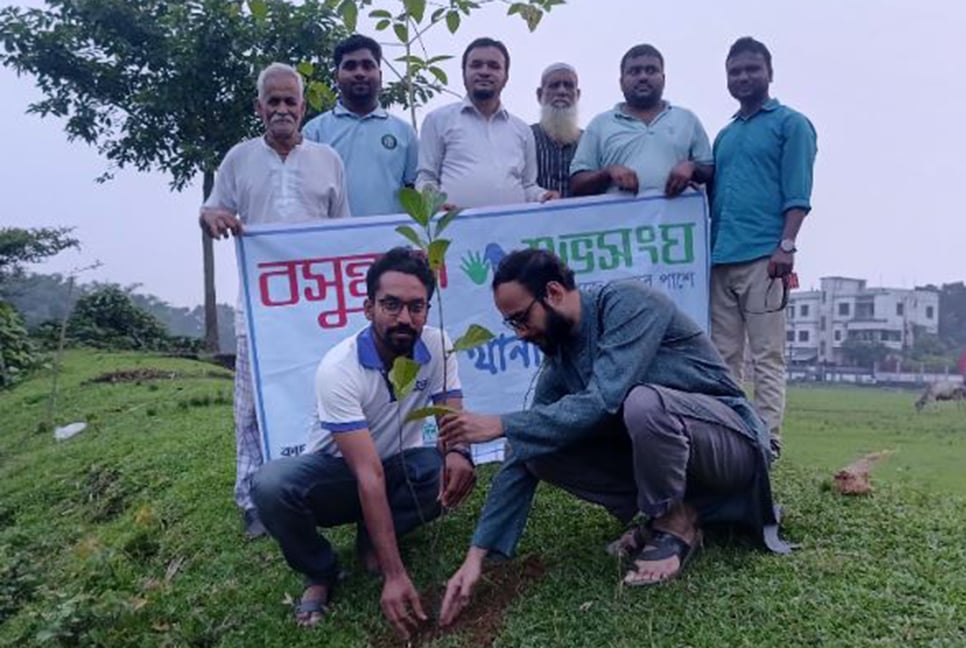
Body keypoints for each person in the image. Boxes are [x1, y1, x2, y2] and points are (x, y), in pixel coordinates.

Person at [435, 249, 789, 626]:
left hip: (732, 446)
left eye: (522, 318)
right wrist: (475, 556)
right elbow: (524, 450)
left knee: (643, 404)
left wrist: (502, 422)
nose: (521, 334)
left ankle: (676, 523)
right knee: (538, 448)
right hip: (679, 455)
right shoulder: (561, 358)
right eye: (512, 325)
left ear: (553, 293)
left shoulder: (627, 303)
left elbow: (604, 399)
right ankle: (673, 511)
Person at [251, 247, 476, 637]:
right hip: (335, 478)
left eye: (416, 306)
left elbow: (450, 418)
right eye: (391, 305)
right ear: (368, 307)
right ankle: (320, 571)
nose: (404, 318)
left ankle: (371, 539)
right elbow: (366, 474)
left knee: (442, 471)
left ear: (427, 310)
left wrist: (459, 452)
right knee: (271, 485)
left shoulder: (438, 347)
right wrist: (395, 575)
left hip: (394, 468)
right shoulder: (340, 368)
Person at [199, 62, 351, 539]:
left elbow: (344, 230)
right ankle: (252, 500)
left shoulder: (329, 160)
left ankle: (317, 480)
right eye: (274, 101)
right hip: (261, 310)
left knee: (322, 389)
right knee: (250, 405)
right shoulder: (238, 159)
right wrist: (215, 216)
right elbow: (209, 211)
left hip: (318, 307)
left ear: (304, 108)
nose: (282, 109)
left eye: (291, 101)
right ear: (259, 107)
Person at [709, 37, 818, 458]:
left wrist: (786, 245)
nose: (743, 77)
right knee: (723, 358)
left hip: (765, 258)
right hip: (721, 259)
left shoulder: (792, 125)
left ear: (769, 73)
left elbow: (798, 192)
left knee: (767, 356)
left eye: (751, 69)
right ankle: (731, 436)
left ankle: (768, 441)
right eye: (735, 71)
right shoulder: (725, 134)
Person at [416, 37, 557, 208]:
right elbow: (426, 178)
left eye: (494, 66)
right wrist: (434, 204)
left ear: (506, 76)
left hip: (512, 229)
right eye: (476, 65)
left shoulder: (522, 130)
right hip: (452, 229)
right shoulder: (437, 120)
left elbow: (527, 186)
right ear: (463, 73)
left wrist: (543, 196)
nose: (484, 71)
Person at [570, 44, 713, 198]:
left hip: (676, 221)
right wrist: (608, 172)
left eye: (651, 70)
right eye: (634, 71)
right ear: (621, 82)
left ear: (663, 79)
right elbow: (576, 184)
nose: (643, 77)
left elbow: (709, 171)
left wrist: (690, 167)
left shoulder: (687, 119)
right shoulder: (600, 124)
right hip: (618, 221)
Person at [303, 34, 418, 217]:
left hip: (392, 241)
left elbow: (416, 193)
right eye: (350, 66)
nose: (359, 73)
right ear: (336, 76)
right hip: (334, 241)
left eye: (367, 65)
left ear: (380, 75)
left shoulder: (405, 133)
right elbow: (305, 196)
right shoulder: (314, 132)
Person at [531, 62, 582, 198]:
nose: (562, 91)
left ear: (577, 95)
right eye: (554, 86)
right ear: (539, 94)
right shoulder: (526, 136)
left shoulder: (589, 140)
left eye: (568, 86)